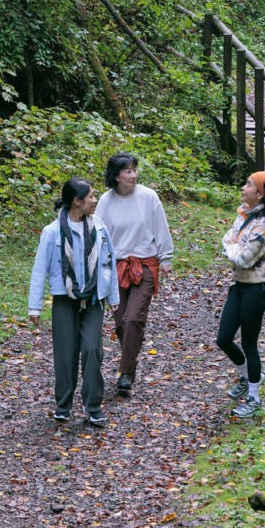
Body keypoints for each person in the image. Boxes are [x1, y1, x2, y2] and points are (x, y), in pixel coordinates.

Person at [28, 177, 119, 426]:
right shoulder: (52, 231)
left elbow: (110, 260)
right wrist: (34, 306)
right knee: (65, 353)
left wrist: (113, 296)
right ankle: (63, 405)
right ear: (77, 202)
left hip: (93, 298)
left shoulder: (98, 227)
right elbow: (40, 269)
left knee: (91, 349)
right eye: (90, 196)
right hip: (64, 299)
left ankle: (93, 406)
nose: (94, 199)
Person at [95, 152, 174, 398]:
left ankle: (125, 373)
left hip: (145, 264)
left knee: (133, 319)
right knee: (120, 323)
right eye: (128, 171)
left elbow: (160, 227)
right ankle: (131, 362)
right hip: (116, 267)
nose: (134, 175)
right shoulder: (105, 202)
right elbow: (97, 235)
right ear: (116, 176)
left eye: (135, 170)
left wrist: (166, 257)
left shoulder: (149, 197)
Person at [216, 170, 265, 418]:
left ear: (261, 193)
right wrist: (232, 246)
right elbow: (228, 239)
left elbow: (243, 258)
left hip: (258, 288)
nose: (244, 188)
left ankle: (254, 396)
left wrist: (231, 248)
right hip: (240, 285)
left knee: (249, 343)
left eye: (249, 185)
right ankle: (248, 376)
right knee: (223, 338)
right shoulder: (244, 214)